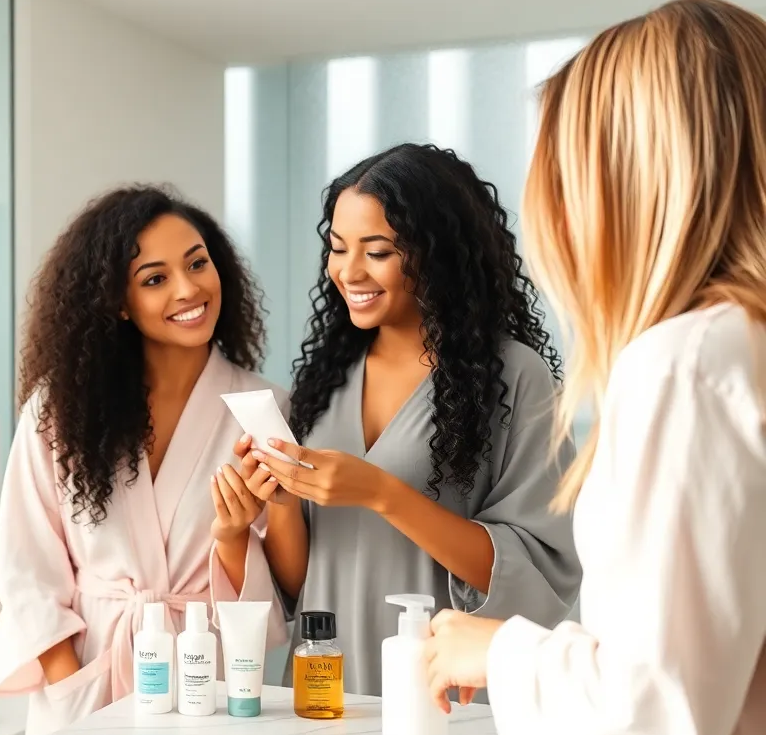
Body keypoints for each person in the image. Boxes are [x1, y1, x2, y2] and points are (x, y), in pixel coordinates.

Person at [424, 0, 766, 735]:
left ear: (628, 183)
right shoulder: (743, 349)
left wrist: (499, 649)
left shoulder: (689, 364)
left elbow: (655, 713)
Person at [230, 142, 582, 697]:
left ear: (437, 254)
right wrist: (280, 502)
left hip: (440, 682)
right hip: (326, 684)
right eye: (338, 247)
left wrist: (382, 493)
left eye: (378, 251)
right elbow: (305, 582)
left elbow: (535, 572)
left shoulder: (514, 377)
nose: (348, 271)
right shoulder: (324, 381)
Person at [0, 185, 288, 735]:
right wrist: (74, 686)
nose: (188, 289)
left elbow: (286, 581)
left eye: (198, 263)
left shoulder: (264, 409)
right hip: (89, 674)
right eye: (155, 278)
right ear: (118, 302)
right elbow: (25, 564)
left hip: (209, 681)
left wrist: (232, 537)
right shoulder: (60, 410)